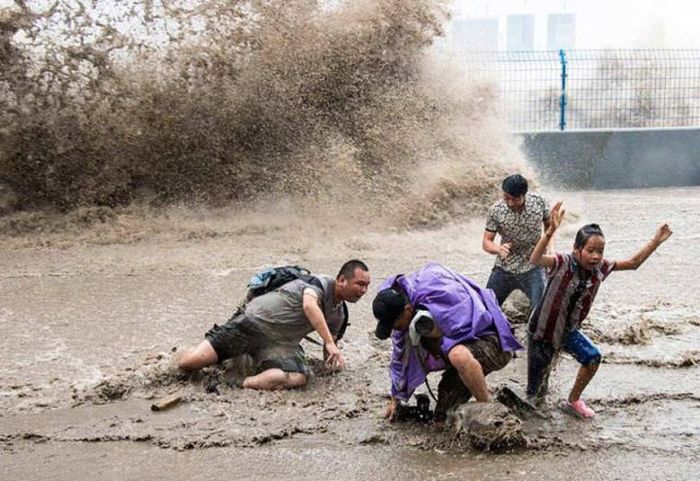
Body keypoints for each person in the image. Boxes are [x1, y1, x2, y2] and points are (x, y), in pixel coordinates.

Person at [527, 202, 673, 418]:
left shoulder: (601, 268)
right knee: (536, 395)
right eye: (590, 251)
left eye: (600, 251)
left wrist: (655, 241)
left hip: (568, 332)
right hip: (542, 332)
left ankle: (574, 400)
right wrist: (549, 232)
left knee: (592, 357)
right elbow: (535, 259)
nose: (596, 256)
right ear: (576, 250)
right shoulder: (562, 262)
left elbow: (633, 263)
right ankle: (533, 415)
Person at [178, 259, 370, 390]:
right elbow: (309, 305)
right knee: (189, 363)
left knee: (299, 378)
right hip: (250, 324)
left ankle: (237, 381)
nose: (363, 291)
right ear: (342, 280)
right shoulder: (321, 283)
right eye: (360, 284)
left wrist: (334, 370)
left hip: (278, 345)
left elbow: (331, 353)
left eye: (367, 286)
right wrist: (328, 341)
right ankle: (175, 356)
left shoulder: (340, 315)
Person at [372, 262, 523, 421]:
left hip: (493, 341)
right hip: (462, 355)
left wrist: (439, 332)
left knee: (458, 355)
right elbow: (400, 360)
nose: (396, 328)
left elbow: (475, 321)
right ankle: (506, 402)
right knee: (443, 419)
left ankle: (491, 412)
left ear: (408, 310)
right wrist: (396, 398)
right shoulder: (402, 319)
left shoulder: (440, 293)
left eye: (395, 324)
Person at [482, 174, 551, 308]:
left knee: (541, 311)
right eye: (506, 198)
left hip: (533, 265)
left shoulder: (539, 203)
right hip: (505, 266)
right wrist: (499, 249)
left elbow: (550, 226)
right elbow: (486, 242)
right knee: (486, 308)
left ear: (524, 195)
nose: (510, 203)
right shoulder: (496, 211)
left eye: (515, 199)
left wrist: (549, 246)